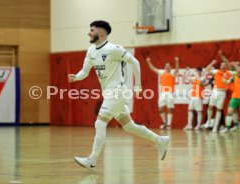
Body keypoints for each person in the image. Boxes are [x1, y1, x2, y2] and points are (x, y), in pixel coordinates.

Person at [68, 20, 169, 171]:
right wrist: (76, 77)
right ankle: (160, 140)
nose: (89, 33)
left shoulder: (113, 49)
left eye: (92, 30)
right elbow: (85, 71)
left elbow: (135, 62)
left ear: (101, 33)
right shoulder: (91, 51)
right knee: (129, 126)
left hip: (117, 92)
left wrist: (138, 84)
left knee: (100, 123)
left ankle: (92, 159)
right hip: (109, 93)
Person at [146, 57, 179, 129]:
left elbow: (177, 69)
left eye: (168, 66)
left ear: (170, 67)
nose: (167, 67)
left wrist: (177, 61)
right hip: (163, 93)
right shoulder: (161, 72)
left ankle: (169, 124)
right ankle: (164, 122)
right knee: (160, 108)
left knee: (169, 108)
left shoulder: (172, 73)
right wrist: (149, 62)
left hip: (170, 93)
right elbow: (153, 69)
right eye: (166, 66)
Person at [204, 59, 235, 133]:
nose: (223, 66)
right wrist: (212, 63)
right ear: (220, 66)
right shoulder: (216, 71)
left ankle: (215, 127)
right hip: (215, 90)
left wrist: (235, 65)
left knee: (219, 109)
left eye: (225, 65)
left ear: (226, 67)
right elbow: (206, 69)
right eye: (222, 65)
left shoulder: (229, 73)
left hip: (223, 92)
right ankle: (208, 121)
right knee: (210, 106)